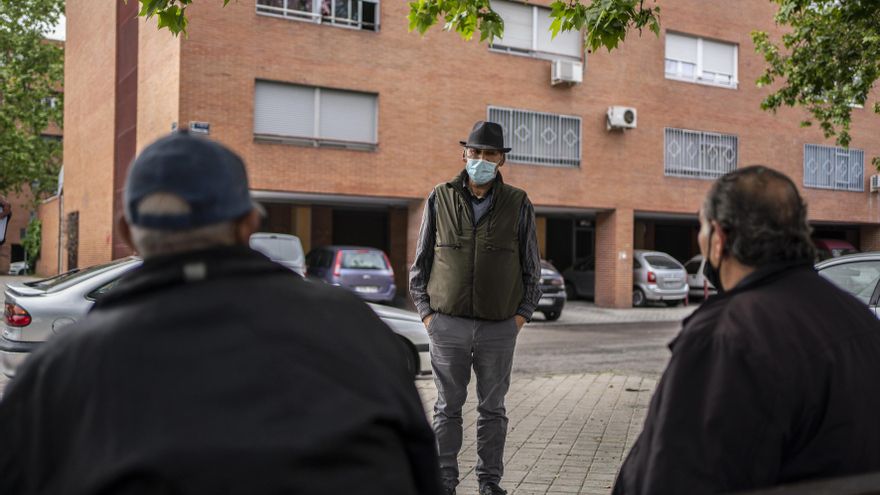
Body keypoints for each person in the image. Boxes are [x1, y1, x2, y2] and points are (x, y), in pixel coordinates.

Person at [0, 131, 441, 495]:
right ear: (250, 223)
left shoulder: (57, 376)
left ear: (126, 231)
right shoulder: (356, 329)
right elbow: (424, 472)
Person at [613, 165, 880, 494]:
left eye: (701, 228)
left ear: (718, 239)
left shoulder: (727, 336)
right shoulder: (861, 320)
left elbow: (679, 477)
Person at [410, 121, 542, 495]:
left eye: (489, 154)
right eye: (475, 152)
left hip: (499, 327)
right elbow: (419, 264)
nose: (481, 160)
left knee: (492, 410)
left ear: (501, 160)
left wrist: (520, 316)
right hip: (446, 323)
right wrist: (427, 315)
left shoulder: (518, 202)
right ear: (464, 154)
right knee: (446, 409)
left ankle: (489, 484)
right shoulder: (440, 196)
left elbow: (532, 267)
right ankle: (445, 483)